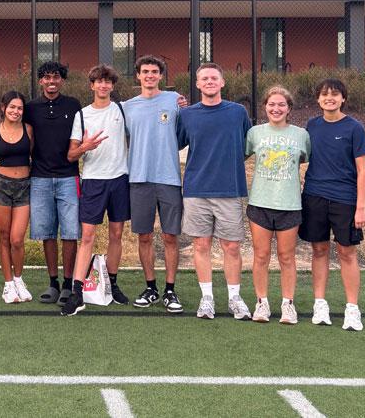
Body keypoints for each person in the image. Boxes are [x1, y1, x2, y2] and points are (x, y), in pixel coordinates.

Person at [177, 62, 252, 321]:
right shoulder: (187, 115)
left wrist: (227, 164)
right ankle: (206, 298)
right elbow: (176, 142)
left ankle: (234, 298)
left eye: (214, 78)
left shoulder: (237, 112)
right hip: (197, 189)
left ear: (222, 82)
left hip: (229, 189)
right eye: (204, 78)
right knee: (201, 244)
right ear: (197, 84)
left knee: (231, 246)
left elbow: (247, 145)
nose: (209, 82)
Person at [300, 78, 365, 331]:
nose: (329, 98)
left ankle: (352, 309)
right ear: (318, 99)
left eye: (335, 94)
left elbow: (363, 170)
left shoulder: (354, 128)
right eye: (324, 94)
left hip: (345, 200)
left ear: (343, 99)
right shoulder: (311, 125)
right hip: (314, 196)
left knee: (347, 252)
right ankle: (320, 304)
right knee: (319, 250)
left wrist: (360, 206)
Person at [61, 64, 131, 316]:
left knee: (116, 234)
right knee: (87, 236)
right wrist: (85, 147)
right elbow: (71, 154)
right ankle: (77, 291)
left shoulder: (122, 110)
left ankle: (111, 283)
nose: (103, 86)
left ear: (112, 86)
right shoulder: (82, 115)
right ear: (91, 85)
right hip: (93, 181)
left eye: (107, 82)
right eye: (98, 82)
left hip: (119, 180)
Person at [123, 55, 185, 314]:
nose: (149, 75)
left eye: (154, 71)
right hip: (138, 178)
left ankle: (170, 290)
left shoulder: (175, 101)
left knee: (171, 236)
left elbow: (182, 136)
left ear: (161, 76)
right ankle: (151, 287)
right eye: (145, 71)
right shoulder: (126, 106)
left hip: (169, 177)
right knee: (145, 236)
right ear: (137, 76)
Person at [246, 86, 310, 324]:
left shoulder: (301, 135)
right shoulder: (254, 133)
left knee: (286, 257)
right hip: (260, 203)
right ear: (265, 107)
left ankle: (288, 304)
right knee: (261, 256)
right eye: (271, 104)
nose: (276, 108)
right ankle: (261, 303)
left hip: (290, 204)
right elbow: (239, 155)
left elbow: (306, 159)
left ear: (289, 108)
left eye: (281, 104)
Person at [24, 61, 82, 306]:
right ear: (40, 81)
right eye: (46, 77)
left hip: (69, 177)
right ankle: (53, 282)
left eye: (56, 77)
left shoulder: (73, 105)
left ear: (62, 80)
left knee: (70, 232)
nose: (51, 81)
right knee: (47, 232)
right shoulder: (30, 108)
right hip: (39, 177)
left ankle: (69, 284)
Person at [0, 91, 34, 303]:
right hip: (1, 187)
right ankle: (8, 285)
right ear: (3, 108)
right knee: (5, 237)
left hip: (25, 186)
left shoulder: (29, 130)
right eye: (12, 107)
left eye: (19, 108)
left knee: (17, 239)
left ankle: (18, 279)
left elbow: (34, 154)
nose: (15, 111)